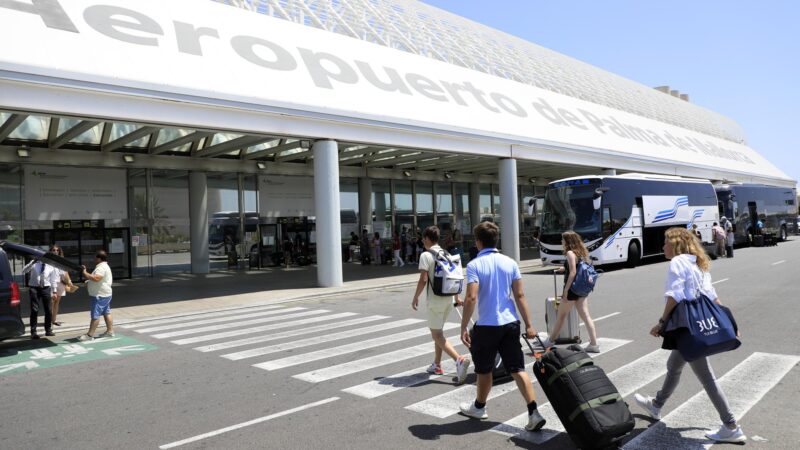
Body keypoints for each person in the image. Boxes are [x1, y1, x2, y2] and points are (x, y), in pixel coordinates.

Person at [634, 227, 746, 443]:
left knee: (706, 377)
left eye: (665, 242)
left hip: (690, 328)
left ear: (675, 244)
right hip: (692, 327)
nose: (663, 247)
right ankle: (656, 405)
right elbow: (712, 296)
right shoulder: (698, 264)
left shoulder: (677, 262)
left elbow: (675, 295)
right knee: (674, 365)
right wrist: (729, 323)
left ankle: (731, 426)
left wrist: (661, 323)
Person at [458, 221, 546, 431]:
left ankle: (479, 407)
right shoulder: (510, 262)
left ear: (478, 242)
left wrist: (463, 326)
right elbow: (520, 295)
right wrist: (529, 324)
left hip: (487, 326)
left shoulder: (474, 265)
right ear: (496, 240)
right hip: (510, 323)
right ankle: (533, 412)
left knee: (484, 369)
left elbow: (471, 298)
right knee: (517, 368)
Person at [411, 226, 471, 382]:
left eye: (423, 238)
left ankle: (459, 360)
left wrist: (416, 297)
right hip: (448, 300)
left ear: (427, 238)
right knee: (439, 333)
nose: (422, 241)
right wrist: (457, 297)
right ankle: (437, 364)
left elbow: (423, 279)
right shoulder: (446, 253)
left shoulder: (426, 255)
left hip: (435, 301)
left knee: (436, 334)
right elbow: (454, 276)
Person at [543, 231, 600, 352]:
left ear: (568, 241)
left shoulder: (570, 253)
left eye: (563, 240)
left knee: (561, 316)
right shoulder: (580, 252)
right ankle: (594, 344)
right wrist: (564, 268)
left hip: (572, 289)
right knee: (586, 316)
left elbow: (573, 272)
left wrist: (566, 290)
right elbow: (577, 267)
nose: (561, 242)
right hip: (581, 288)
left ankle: (550, 341)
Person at [78, 250, 115, 341]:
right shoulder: (104, 266)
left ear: (99, 258)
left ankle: (90, 335)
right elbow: (98, 279)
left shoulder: (101, 267)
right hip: (105, 294)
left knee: (95, 315)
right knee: (106, 312)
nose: (93, 258)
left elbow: (96, 278)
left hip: (99, 295)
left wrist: (85, 272)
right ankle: (110, 331)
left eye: (95, 257)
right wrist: (89, 281)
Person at [22, 256, 59, 339]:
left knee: (48, 310)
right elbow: (24, 271)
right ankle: (33, 332)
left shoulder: (50, 265)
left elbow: (53, 279)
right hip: (34, 288)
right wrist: (32, 262)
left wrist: (55, 291)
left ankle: (48, 330)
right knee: (34, 310)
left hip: (46, 288)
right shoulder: (34, 263)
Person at [49, 245, 75, 327]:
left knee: (57, 302)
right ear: (51, 251)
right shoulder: (49, 260)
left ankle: (54, 320)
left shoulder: (62, 260)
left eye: (57, 250)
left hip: (61, 283)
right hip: (52, 283)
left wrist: (69, 282)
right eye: (54, 250)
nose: (56, 251)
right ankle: (49, 320)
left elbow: (65, 272)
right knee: (51, 302)